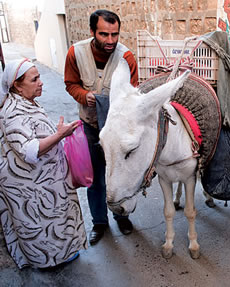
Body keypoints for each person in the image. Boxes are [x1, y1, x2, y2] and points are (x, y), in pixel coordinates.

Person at [0, 59, 87, 269]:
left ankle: (62, 254)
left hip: (44, 179)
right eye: (35, 79)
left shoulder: (27, 101)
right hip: (28, 184)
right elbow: (28, 151)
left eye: (40, 77)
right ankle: (48, 262)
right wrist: (60, 135)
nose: (41, 83)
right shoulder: (11, 112)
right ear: (17, 86)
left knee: (54, 219)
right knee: (39, 223)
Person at [64, 9, 139, 245]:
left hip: (116, 128)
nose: (110, 41)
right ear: (92, 32)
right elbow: (70, 83)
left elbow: (133, 94)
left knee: (118, 174)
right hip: (89, 125)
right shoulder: (75, 53)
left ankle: (121, 216)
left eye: (115, 34)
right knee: (95, 177)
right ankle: (99, 222)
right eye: (104, 34)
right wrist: (83, 95)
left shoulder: (126, 58)